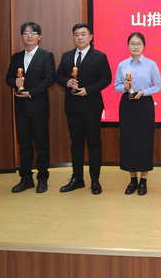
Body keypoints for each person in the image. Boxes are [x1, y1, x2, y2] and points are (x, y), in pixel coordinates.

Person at [55, 23, 112, 195]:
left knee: (94, 144)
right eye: (76, 34)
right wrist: (67, 82)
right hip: (72, 107)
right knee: (76, 144)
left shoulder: (99, 56)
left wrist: (88, 90)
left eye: (83, 34)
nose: (79, 37)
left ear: (90, 37)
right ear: (73, 37)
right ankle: (77, 179)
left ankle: (95, 180)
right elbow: (58, 75)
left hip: (91, 106)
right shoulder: (66, 56)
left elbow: (106, 79)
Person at [5, 22, 55, 193]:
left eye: (33, 33)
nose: (29, 36)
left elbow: (49, 79)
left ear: (39, 37)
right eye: (26, 33)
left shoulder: (46, 56)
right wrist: (15, 82)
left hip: (39, 107)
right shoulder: (16, 57)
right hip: (21, 108)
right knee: (24, 144)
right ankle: (26, 179)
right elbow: (8, 77)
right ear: (22, 36)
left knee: (41, 144)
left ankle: (42, 178)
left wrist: (31, 93)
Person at [114, 32, 161, 196]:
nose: (135, 46)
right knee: (129, 141)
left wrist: (143, 92)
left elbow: (158, 86)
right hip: (127, 105)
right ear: (128, 46)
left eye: (139, 43)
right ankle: (132, 180)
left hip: (144, 104)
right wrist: (125, 87)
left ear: (144, 46)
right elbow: (117, 86)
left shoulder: (151, 64)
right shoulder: (122, 65)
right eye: (132, 43)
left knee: (144, 140)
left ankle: (143, 181)